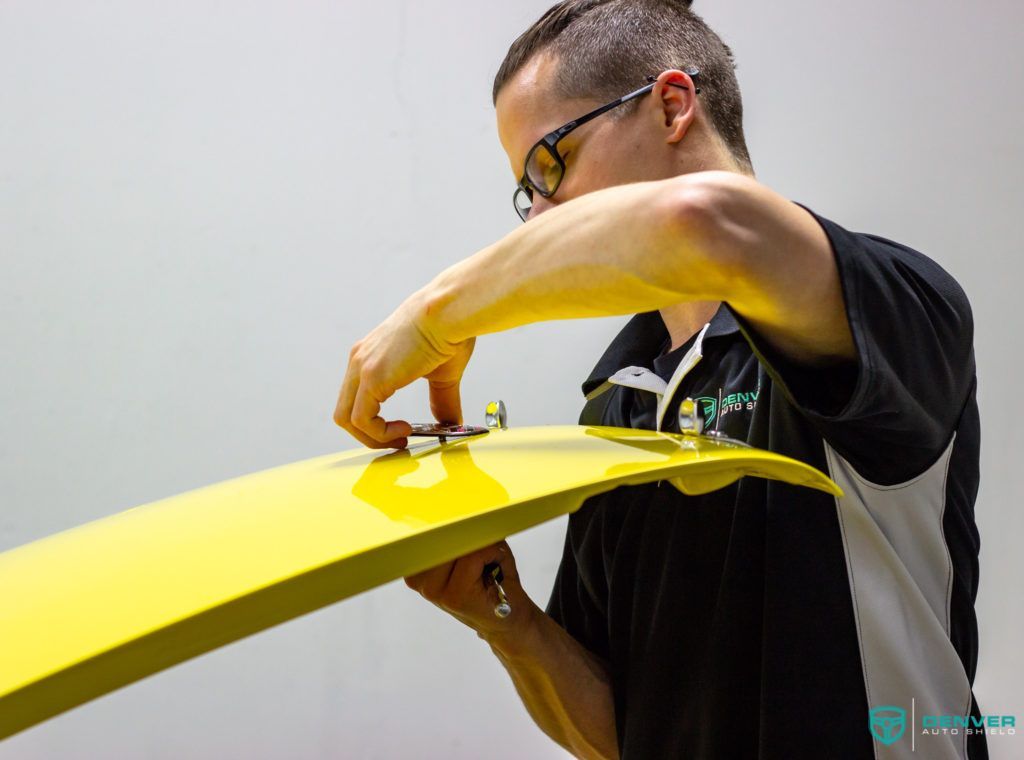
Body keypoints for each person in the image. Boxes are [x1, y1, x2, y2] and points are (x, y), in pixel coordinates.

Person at [333, 1, 985, 758]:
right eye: (527, 192)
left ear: (672, 105)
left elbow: (704, 227)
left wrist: (438, 310)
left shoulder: (892, 308)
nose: (539, 218)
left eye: (551, 165)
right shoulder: (615, 405)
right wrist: (499, 613)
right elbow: (620, 734)